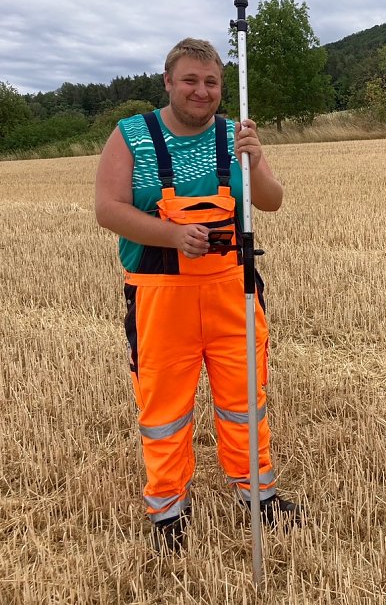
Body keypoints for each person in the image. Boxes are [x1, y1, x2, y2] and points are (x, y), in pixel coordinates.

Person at [95, 38, 303, 552]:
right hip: (161, 296)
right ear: (168, 81)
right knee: (164, 409)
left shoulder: (237, 134)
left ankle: (258, 494)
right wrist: (171, 236)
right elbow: (107, 209)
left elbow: (272, 202)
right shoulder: (131, 136)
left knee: (245, 401)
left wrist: (255, 164)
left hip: (234, 289)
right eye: (190, 80)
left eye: (211, 82)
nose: (201, 91)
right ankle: (168, 510)